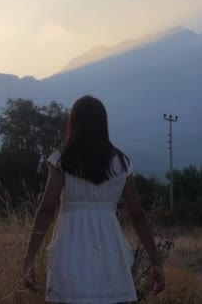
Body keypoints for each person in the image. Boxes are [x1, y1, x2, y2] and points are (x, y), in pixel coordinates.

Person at [23, 95, 165, 303]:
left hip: (68, 252)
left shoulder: (62, 160)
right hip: (111, 252)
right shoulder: (121, 163)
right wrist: (156, 262)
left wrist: (29, 259)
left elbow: (46, 210)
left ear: (74, 123)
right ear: (103, 124)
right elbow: (137, 214)